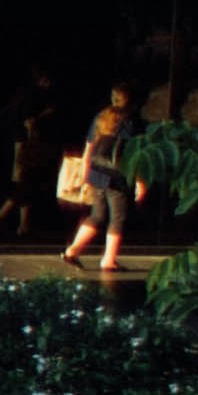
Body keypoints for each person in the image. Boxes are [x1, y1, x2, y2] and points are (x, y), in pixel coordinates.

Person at [62, 87, 142, 276]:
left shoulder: (101, 116)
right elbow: (133, 154)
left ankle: (72, 250)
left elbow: (89, 146)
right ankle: (108, 260)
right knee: (118, 218)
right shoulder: (131, 121)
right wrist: (140, 180)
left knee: (97, 215)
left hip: (96, 173)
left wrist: (84, 172)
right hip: (116, 176)